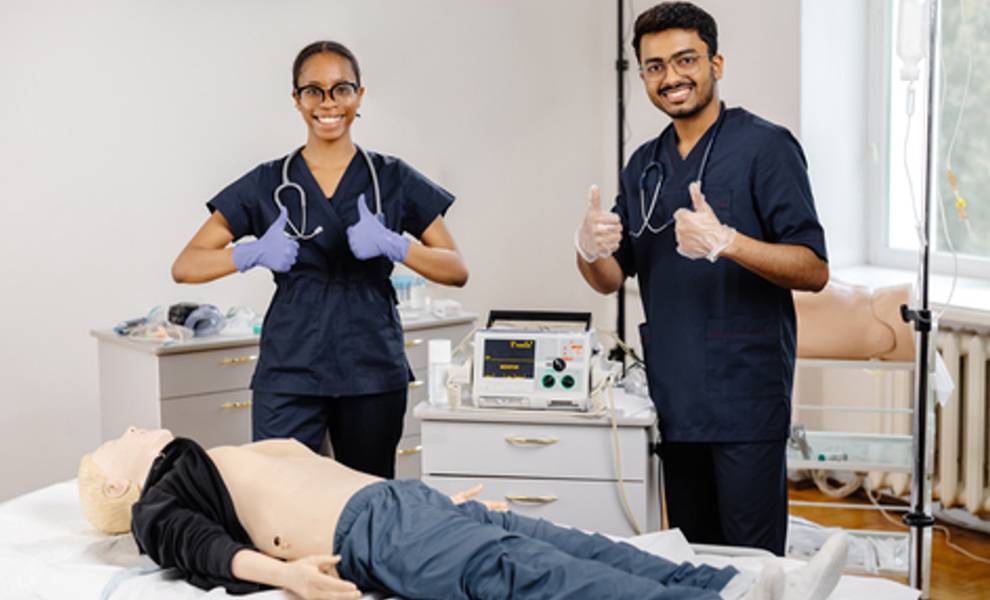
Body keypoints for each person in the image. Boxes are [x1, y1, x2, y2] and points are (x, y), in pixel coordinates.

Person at [575, 2, 829, 555]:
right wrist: (587, 247)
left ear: (716, 63)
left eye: (685, 59)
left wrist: (729, 242)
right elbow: (611, 277)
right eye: (654, 66)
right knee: (695, 563)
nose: (671, 77)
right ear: (642, 75)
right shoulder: (644, 163)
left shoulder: (766, 147)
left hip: (745, 398)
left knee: (755, 564)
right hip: (677, 397)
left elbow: (813, 268)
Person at [78, 427, 849, 600]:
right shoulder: (161, 495)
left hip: (401, 504)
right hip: (369, 535)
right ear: (119, 488)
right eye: (116, 444)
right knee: (526, 575)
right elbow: (194, 546)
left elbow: (337, 469)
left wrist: (439, 500)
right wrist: (286, 576)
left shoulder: (226, 450)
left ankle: (724, 585)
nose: (129, 432)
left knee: (570, 541)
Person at [171, 41, 468, 478]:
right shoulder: (269, 181)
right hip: (291, 367)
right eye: (313, 90)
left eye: (341, 89)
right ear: (296, 99)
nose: (328, 103)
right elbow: (186, 265)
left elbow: (457, 269)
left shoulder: (392, 177)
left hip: (370, 369)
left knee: (366, 504)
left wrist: (395, 244)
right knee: (280, 495)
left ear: (359, 95)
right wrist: (251, 253)